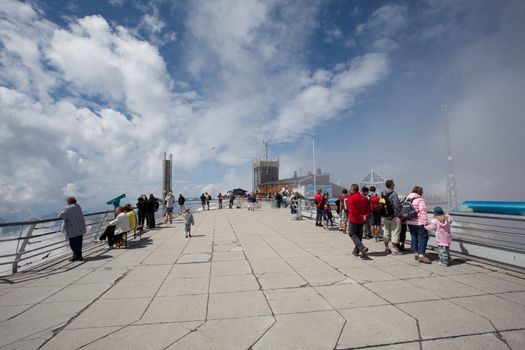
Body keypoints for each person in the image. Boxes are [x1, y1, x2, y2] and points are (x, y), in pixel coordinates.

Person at [406, 186, 430, 263]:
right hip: (419, 222)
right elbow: (423, 211)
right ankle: (421, 255)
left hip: (410, 222)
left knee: (414, 236)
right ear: (420, 192)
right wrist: (425, 223)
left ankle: (416, 253)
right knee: (423, 238)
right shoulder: (420, 200)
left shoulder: (408, 199)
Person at [59, 196, 86, 261]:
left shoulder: (68, 208)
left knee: (73, 244)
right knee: (79, 244)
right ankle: (78, 256)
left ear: (69, 201)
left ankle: (77, 256)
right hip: (80, 228)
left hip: (73, 229)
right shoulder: (78, 206)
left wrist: (59, 214)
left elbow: (62, 215)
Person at [347, 184, 370, 259]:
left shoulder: (351, 198)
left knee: (352, 234)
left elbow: (352, 211)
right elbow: (367, 209)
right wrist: (365, 216)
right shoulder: (364, 198)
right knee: (359, 236)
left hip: (354, 219)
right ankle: (356, 251)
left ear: (352, 190)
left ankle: (362, 248)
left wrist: (360, 216)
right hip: (362, 220)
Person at [381, 179, 402, 255]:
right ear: (392, 185)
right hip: (394, 216)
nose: (394, 185)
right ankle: (394, 249)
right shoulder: (394, 194)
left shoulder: (383, 193)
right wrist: (398, 216)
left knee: (386, 232)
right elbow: (396, 206)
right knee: (395, 232)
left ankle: (386, 247)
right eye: (394, 184)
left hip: (386, 216)